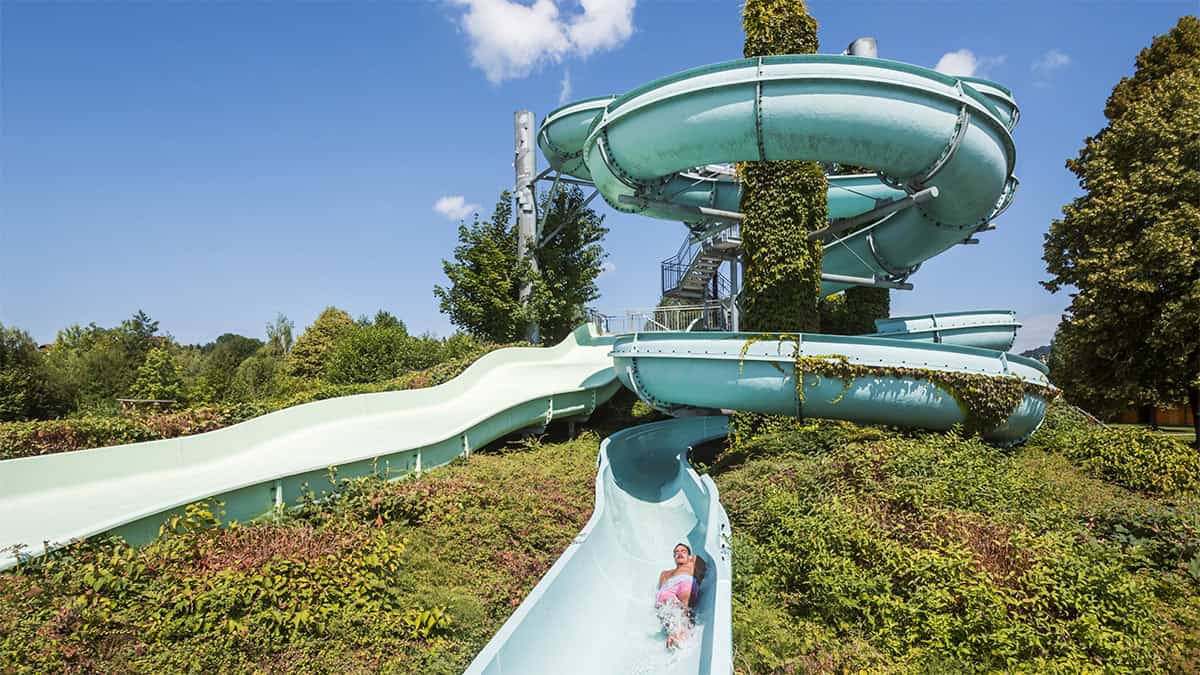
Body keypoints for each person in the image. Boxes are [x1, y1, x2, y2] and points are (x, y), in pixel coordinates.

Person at [655, 543, 706, 648]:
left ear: (689, 556)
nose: (679, 553)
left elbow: (702, 569)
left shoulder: (692, 563)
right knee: (664, 600)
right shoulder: (665, 573)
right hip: (668, 588)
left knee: (686, 588)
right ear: (674, 557)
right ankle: (673, 633)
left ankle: (683, 629)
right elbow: (661, 588)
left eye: (683, 551)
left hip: (685, 581)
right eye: (676, 552)